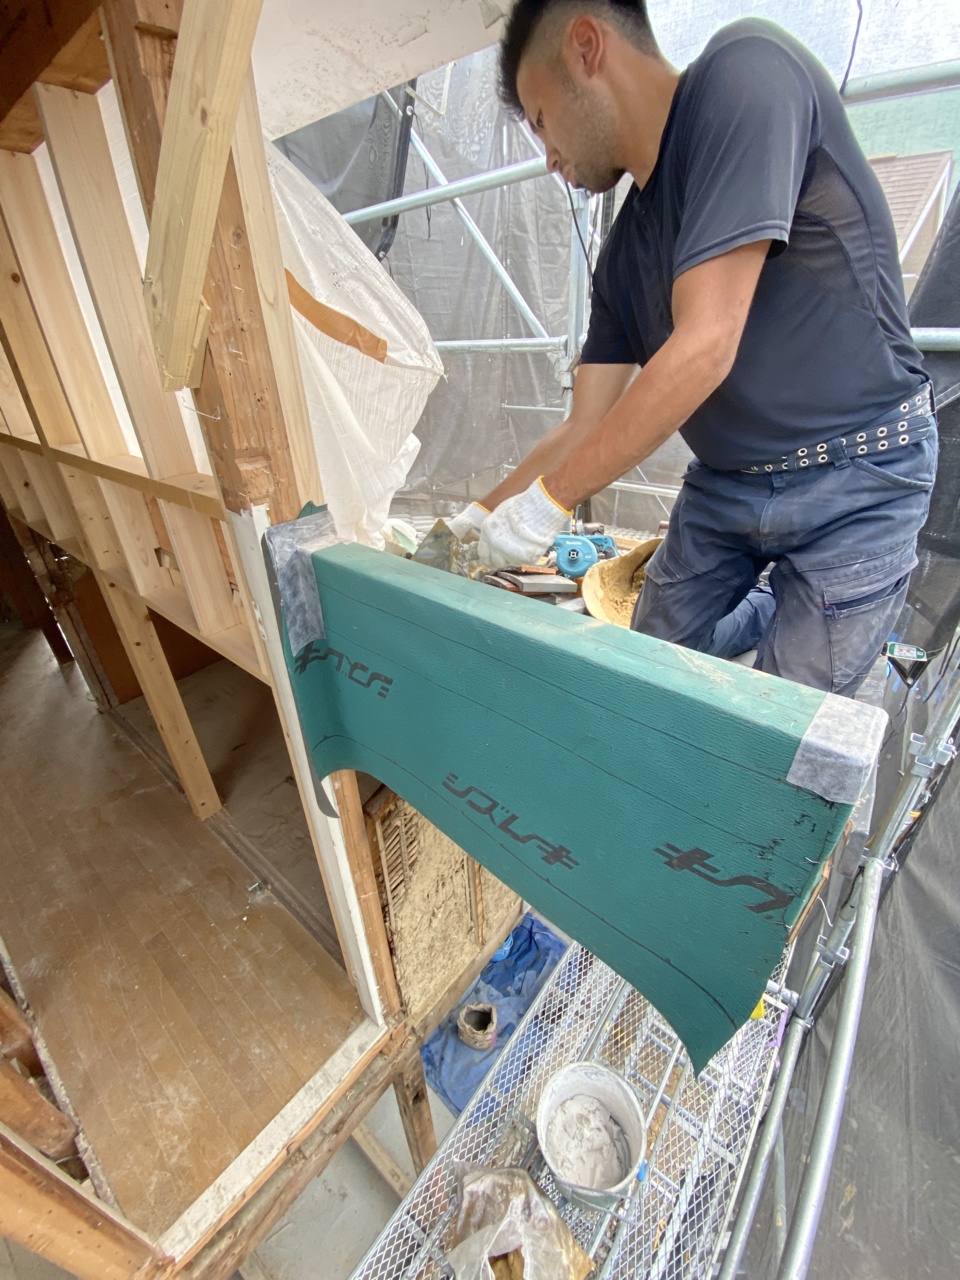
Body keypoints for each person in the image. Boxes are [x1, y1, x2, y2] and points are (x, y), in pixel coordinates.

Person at [450, 0, 937, 697]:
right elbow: (584, 426)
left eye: (541, 120)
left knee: (777, 733)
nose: (547, 156)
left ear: (588, 47)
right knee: (648, 682)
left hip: (858, 475)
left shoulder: (746, 76)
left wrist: (548, 504)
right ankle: (771, 604)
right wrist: (479, 521)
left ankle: (789, 607)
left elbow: (707, 344)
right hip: (727, 483)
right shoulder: (624, 251)